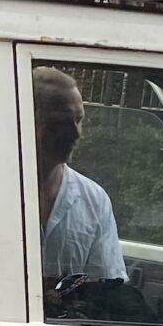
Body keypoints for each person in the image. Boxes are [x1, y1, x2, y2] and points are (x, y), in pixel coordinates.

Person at [31, 67, 126, 283]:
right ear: (27, 119)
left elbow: (107, 286)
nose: (76, 133)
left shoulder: (94, 199)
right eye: (61, 123)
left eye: (79, 120)